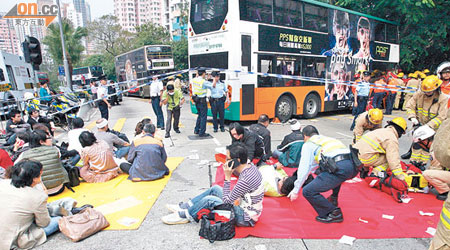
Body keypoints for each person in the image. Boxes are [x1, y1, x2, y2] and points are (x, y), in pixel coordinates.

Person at [162, 142, 264, 226]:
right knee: (215, 188)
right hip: (245, 205)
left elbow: (226, 201)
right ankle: (186, 206)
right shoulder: (249, 165)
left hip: (246, 217)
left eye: (227, 159)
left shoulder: (246, 179)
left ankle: (186, 215)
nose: (225, 161)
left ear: (237, 161)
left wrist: (227, 177)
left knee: (210, 200)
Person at [287, 125, 358, 223]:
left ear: (305, 136)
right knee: (332, 173)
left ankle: (334, 213)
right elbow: (313, 167)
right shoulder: (327, 140)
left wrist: (296, 190)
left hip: (339, 168)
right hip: (353, 166)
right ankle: (333, 198)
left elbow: (304, 168)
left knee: (308, 191)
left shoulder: (309, 144)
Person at [0, 160, 61, 249]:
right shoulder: (37, 196)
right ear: (35, 178)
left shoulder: (3, 184)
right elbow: (44, 223)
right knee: (59, 219)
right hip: (13, 241)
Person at [404, 75, 448, 167]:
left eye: (429, 91)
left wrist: (429, 126)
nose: (427, 93)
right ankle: (413, 161)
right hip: (419, 124)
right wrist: (413, 117)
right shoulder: (419, 94)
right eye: (426, 92)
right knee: (416, 144)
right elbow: (409, 106)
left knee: (427, 146)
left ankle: (422, 163)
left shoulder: (442, 98)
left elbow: (442, 116)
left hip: (432, 128)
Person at [17, 130, 69, 195]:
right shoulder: (55, 150)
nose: (51, 139)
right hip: (58, 187)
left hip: (39, 192)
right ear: (41, 141)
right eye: (49, 138)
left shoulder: (24, 154)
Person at [192, 70, 213, 137]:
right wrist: (212, 79)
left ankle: (196, 130)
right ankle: (202, 132)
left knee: (200, 115)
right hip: (202, 101)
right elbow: (212, 86)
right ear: (203, 73)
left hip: (196, 100)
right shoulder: (204, 82)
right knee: (204, 117)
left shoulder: (194, 80)